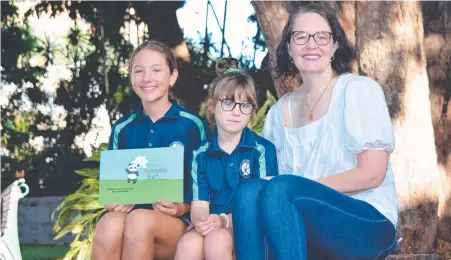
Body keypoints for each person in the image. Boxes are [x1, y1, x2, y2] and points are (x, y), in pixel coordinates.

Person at [232, 4, 399, 260]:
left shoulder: (357, 90)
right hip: (303, 223)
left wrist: (297, 189)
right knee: (248, 192)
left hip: (366, 223)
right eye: (300, 36)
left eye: (321, 36)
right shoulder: (279, 112)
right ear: (289, 47)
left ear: (334, 46)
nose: (312, 45)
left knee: (281, 188)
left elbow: (372, 175)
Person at [91, 40, 211, 260]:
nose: (147, 78)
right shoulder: (122, 128)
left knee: (140, 220)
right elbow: (113, 187)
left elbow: (207, 184)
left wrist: (182, 207)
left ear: (172, 76)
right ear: (131, 77)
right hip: (132, 219)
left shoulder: (193, 125)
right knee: (109, 223)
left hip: (178, 226)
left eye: (156, 70)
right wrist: (114, 201)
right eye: (139, 71)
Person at [174, 58, 278, 260]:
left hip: (250, 225)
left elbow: (262, 205)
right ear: (212, 106)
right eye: (228, 102)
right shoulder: (200, 154)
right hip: (214, 222)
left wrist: (224, 221)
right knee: (189, 244)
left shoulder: (262, 150)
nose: (236, 111)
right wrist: (203, 222)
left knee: (217, 240)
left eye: (245, 105)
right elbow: (200, 205)